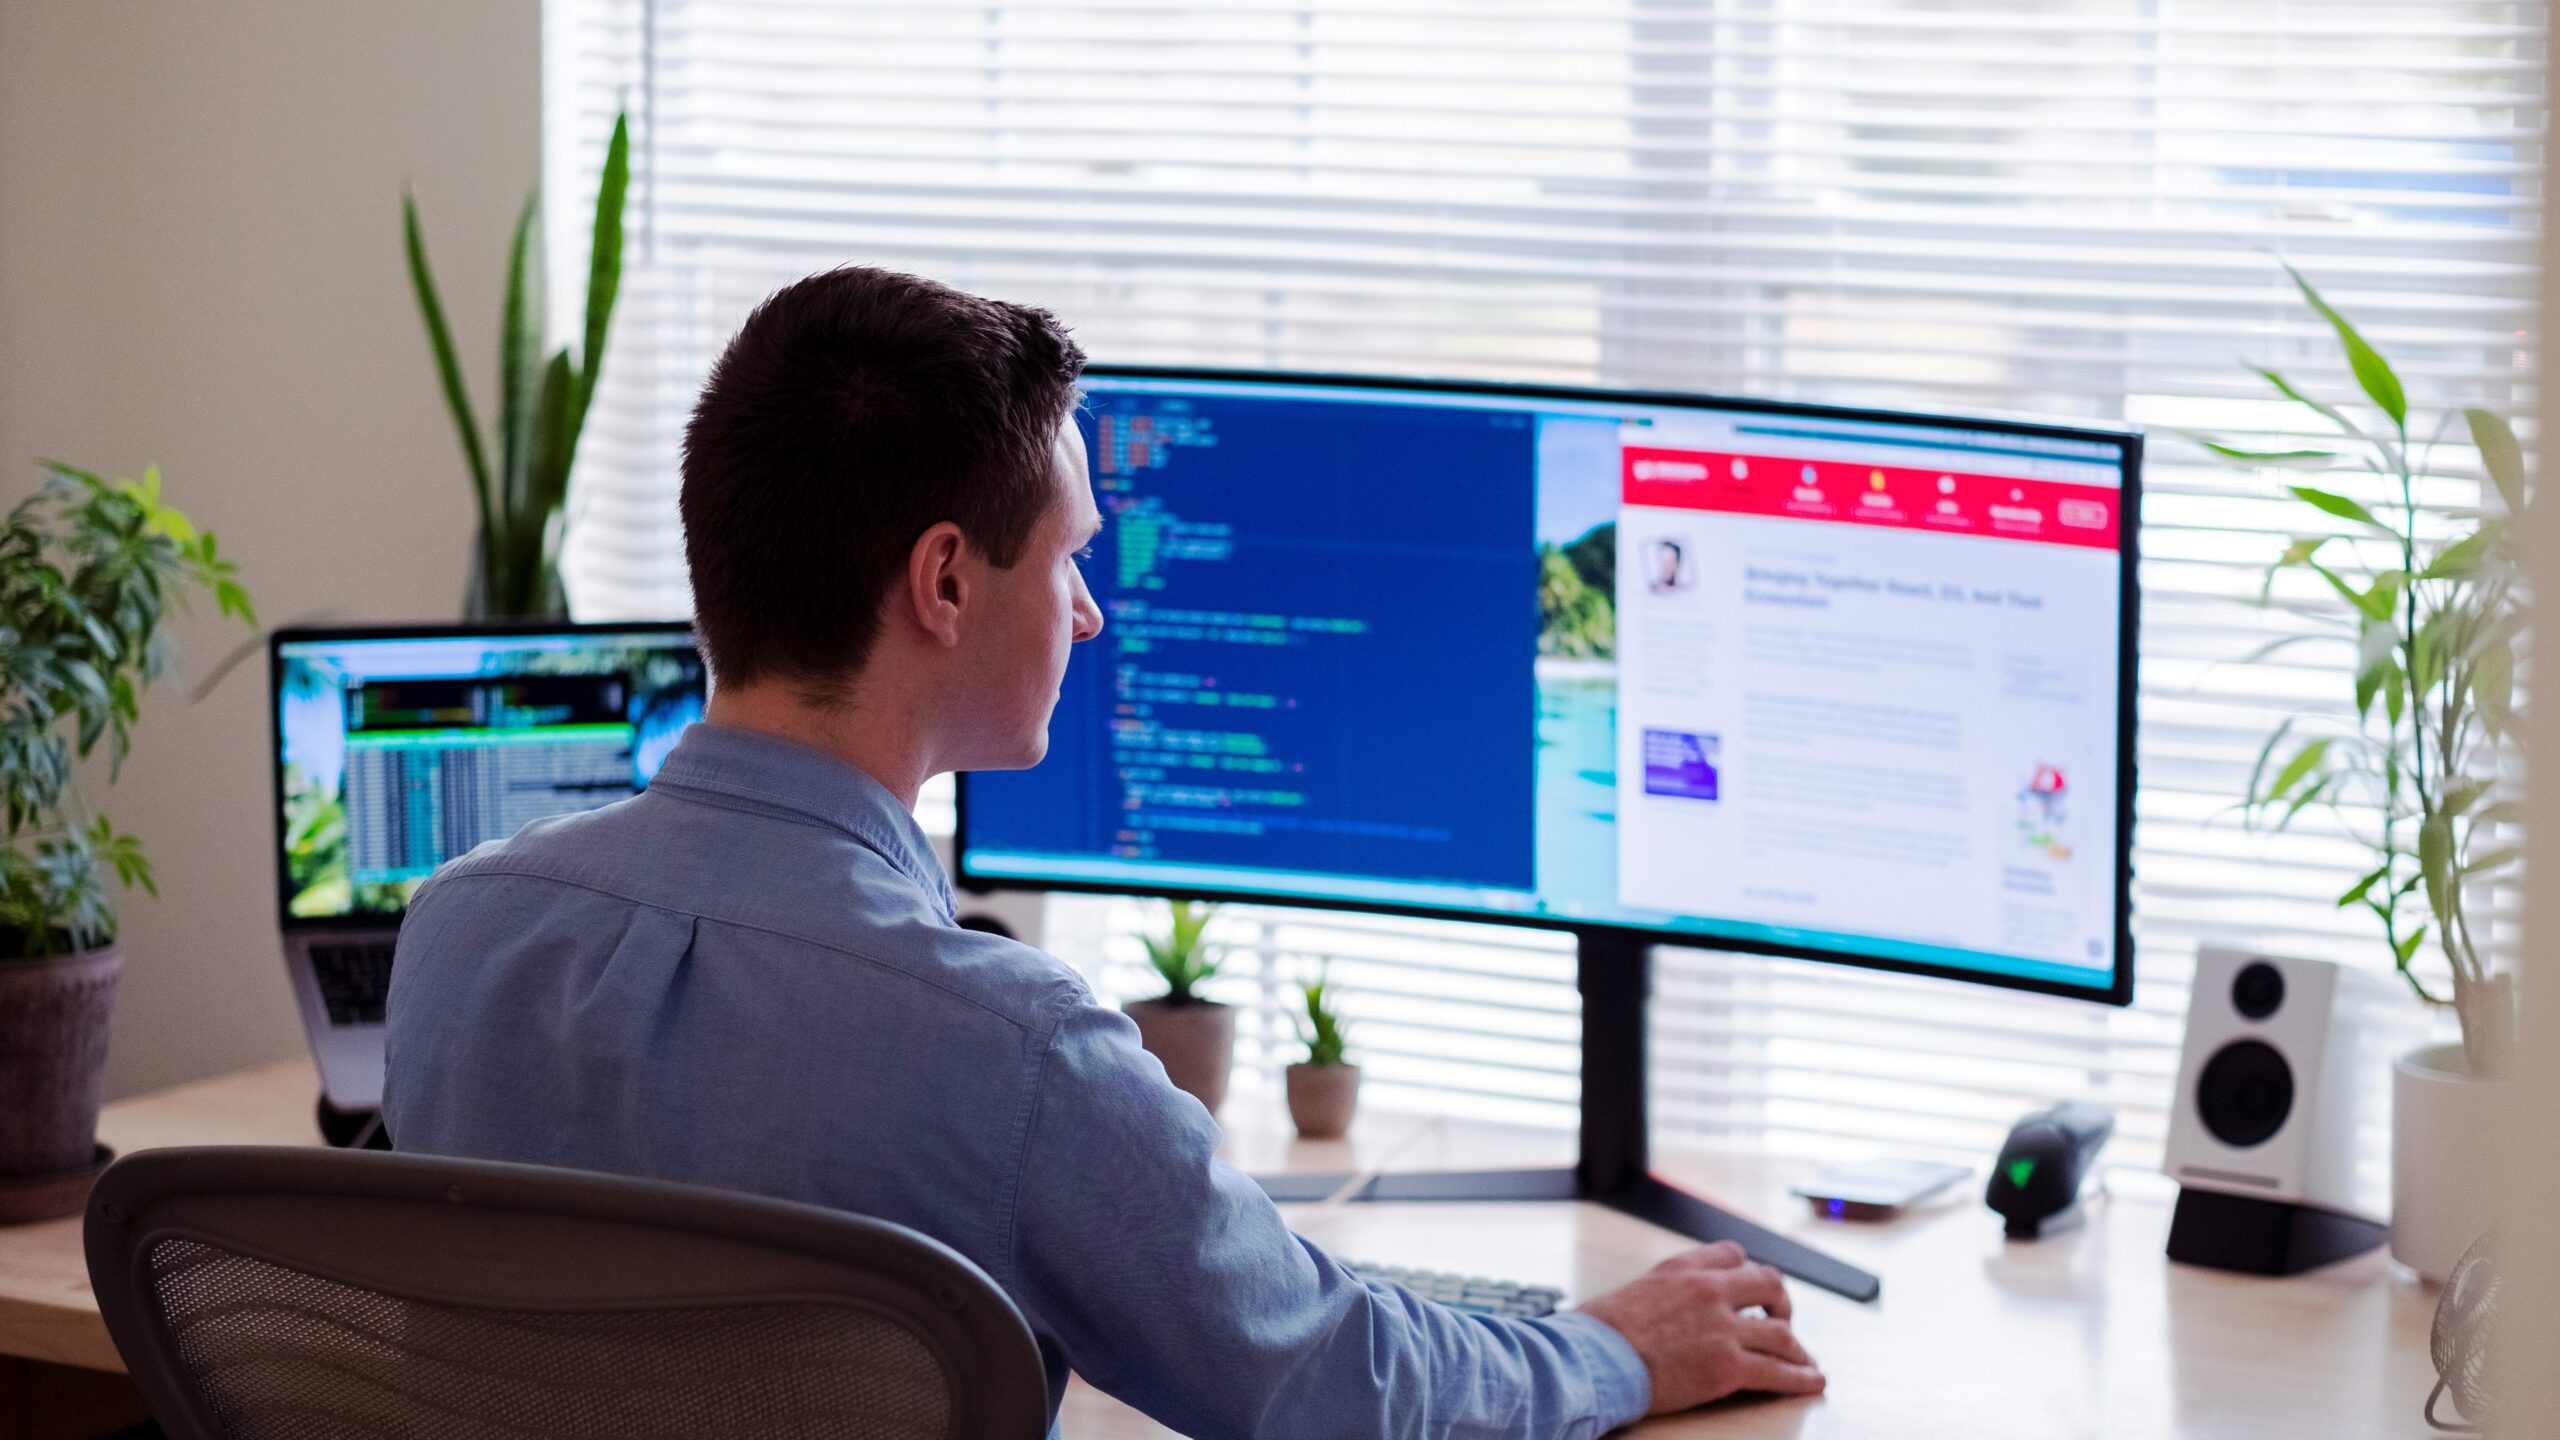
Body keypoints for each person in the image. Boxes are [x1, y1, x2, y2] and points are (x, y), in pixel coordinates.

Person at [383, 266, 1822, 1437]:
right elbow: (1336, 1390)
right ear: (945, 580)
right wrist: (1614, 1352)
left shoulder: (458, 934)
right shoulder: (1005, 1047)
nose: (1089, 615)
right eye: (1069, 557)